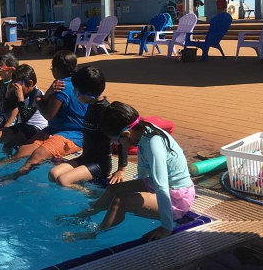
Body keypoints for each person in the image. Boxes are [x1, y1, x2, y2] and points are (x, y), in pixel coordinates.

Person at [65, 102, 194, 241]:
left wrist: (167, 227)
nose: (117, 144)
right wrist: (140, 192)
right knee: (113, 189)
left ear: (126, 133)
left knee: (122, 201)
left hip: (176, 196)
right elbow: (143, 167)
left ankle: (94, 235)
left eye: (116, 140)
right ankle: (84, 214)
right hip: (156, 185)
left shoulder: (154, 143)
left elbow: (161, 185)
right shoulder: (144, 132)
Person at [0, 50, 87, 185]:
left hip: (71, 135)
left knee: (35, 156)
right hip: (54, 130)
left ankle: (9, 179)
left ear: (56, 69)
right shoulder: (66, 84)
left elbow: (48, 115)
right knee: (21, 150)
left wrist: (37, 100)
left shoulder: (61, 87)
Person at [48, 66, 127, 191]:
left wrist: (121, 170)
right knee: (53, 174)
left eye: (76, 91)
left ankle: (93, 195)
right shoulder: (90, 104)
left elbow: (123, 139)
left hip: (99, 164)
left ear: (89, 94)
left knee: (63, 180)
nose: (74, 94)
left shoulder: (106, 112)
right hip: (85, 157)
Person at [0, 64, 48, 148]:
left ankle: (5, 160)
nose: (16, 89)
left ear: (30, 83)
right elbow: (6, 109)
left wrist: (20, 97)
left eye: (17, 86)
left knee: (8, 146)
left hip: (36, 128)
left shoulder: (36, 94)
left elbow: (25, 117)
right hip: (23, 126)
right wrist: (7, 95)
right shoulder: (23, 92)